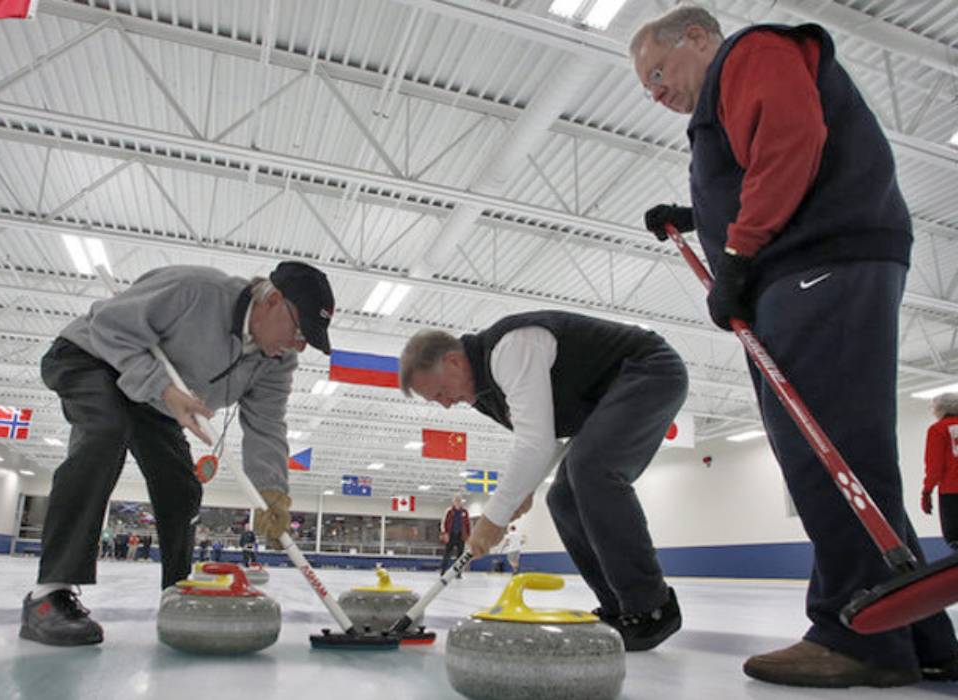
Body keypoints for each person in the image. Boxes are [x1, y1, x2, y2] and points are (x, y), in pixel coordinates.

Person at [632, 5, 958, 686]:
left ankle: (854, 635)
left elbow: (789, 139)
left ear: (697, 37)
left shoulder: (749, 54)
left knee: (819, 450)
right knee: (845, 449)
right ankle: (913, 629)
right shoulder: (732, 88)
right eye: (646, 87)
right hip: (823, 260)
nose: (654, 92)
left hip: (813, 263)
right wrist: (698, 216)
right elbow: (767, 161)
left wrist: (739, 256)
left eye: (657, 73)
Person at [19, 260, 335, 647]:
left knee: (182, 486)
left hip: (158, 400)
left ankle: (178, 591)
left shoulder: (278, 362)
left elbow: (266, 428)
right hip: (93, 358)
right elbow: (107, 324)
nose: (298, 344)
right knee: (105, 433)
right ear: (272, 298)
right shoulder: (196, 290)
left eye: (308, 340)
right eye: (300, 330)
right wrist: (164, 388)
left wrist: (272, 493)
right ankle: (48, 596)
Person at [400, 310, 688, 651]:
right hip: (601, 402)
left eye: (440, 393)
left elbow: (535, 444)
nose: (446, 405)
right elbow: (547, 439)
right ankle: (619, 609)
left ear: (453, 362)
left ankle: (650, 608)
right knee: (562, 500)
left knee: (592, 470)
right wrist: (525, 489)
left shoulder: (511, 348)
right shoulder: (484, 393)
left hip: (648, 371)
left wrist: (493, 519)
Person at [923, 393, 958, 550]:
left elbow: (935, 466)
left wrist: (927, 492)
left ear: (939, 409)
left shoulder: (938, 429)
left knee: (955, 539)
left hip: (952, 492)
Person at [438, 496, 470, 576]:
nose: (458, 502)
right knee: (447, 554)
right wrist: (444, 533)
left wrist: (468, 536)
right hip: (451, 535)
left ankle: (458, 573)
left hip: (461, 536)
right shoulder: (449, 511)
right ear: (453, 502)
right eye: (456, 501)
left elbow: (467, 524)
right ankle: (443, 571)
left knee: (460, 556)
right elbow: (443, 522)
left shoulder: (465, 512)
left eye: (459, 501)